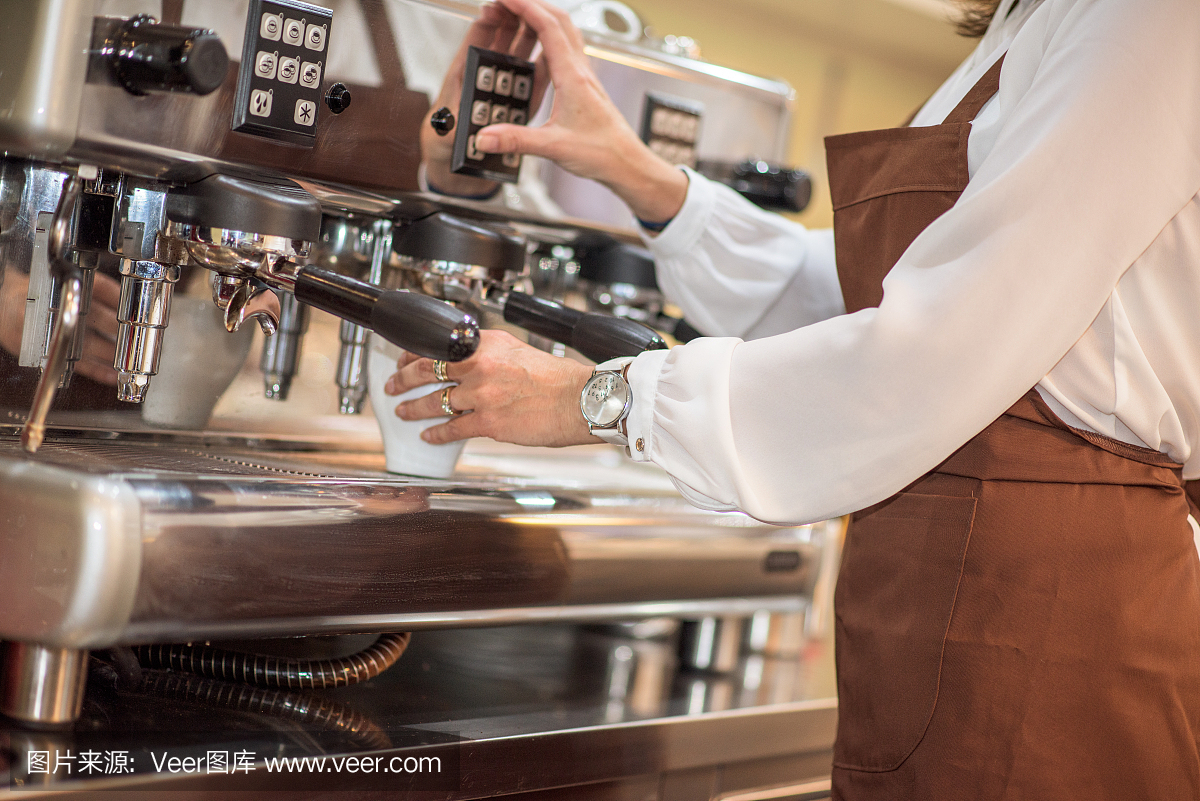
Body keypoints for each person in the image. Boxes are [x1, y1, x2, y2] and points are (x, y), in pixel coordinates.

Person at [392, 0, 1200, 796]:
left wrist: (592, 398)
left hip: (1048, 613)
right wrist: (640, 176)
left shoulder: (1148, 18)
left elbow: (930, 352)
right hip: (932, 590)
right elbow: (864, 295)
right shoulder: (1033, 19)